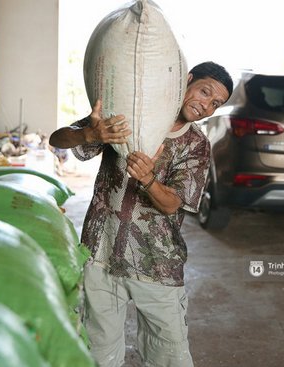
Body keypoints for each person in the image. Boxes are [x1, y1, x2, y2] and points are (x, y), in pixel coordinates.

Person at [49, 61, 233, 367]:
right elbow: (58, 139)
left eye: (216, 104)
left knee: (170, 356)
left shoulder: (197, 145)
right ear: (186, 80)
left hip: (156, 263)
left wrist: (148, 180)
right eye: (204, 92)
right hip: (101, 253)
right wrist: (89, 134)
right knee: (97, 354)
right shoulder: (127, 117)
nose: (206, 106)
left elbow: (173, 203)